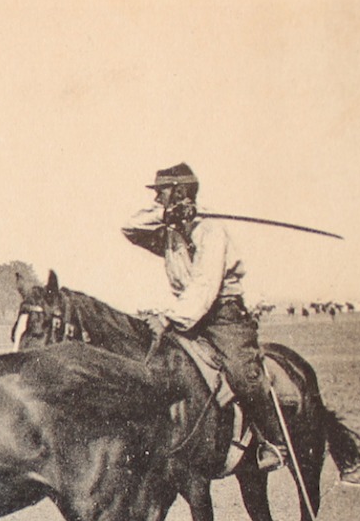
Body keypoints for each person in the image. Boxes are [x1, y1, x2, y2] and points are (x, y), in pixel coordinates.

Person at [122, 162, 290, 472]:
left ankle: (274, 441)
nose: (157, 198)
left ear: (181, 192)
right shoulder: (170, 229)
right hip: (192, 315)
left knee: (242, 374)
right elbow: (130, 228)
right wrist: (167, 216)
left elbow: (205, 285)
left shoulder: (211, 230)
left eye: (163, 192)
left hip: (224, 317)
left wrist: (171, 319)